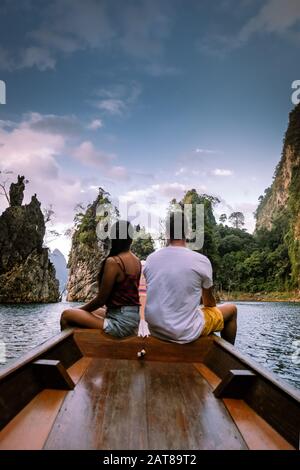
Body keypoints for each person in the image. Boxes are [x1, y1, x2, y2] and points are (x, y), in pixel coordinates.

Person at [143, 211, 237, 344]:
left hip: (155, 329)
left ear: (167, 233)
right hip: (184, 332)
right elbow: (209, 303)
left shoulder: (150, 259)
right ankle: (227, 359)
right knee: (232, 309)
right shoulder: (201, 261)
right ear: (187, 232)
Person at [60, 220, 142, 337]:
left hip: (121, 323)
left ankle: (72, 353)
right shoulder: (137, 261)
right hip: (132, 318)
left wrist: (81, 310)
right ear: (130, 239)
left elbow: (101, 300)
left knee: (66, 315)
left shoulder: (114, 262)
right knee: (88, 312)